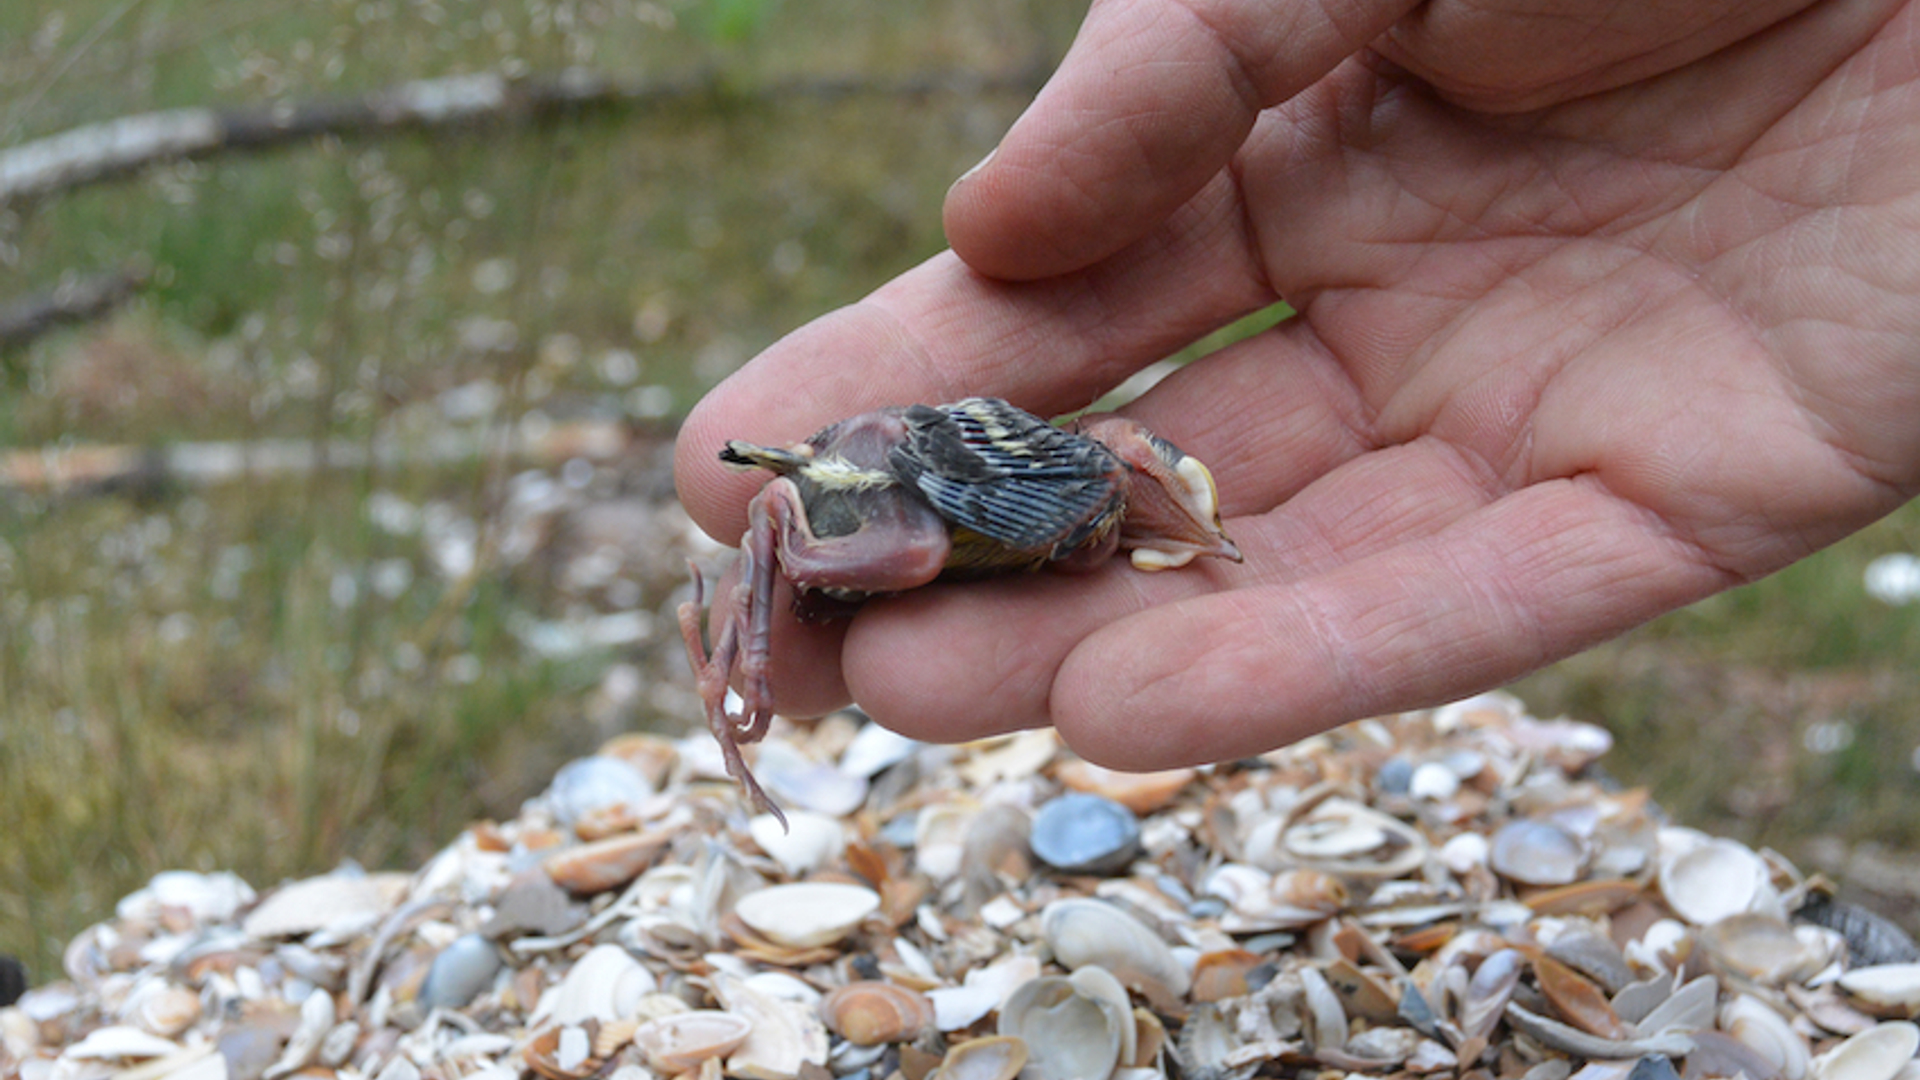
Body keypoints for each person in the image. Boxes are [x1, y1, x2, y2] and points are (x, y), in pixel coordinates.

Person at [674, 0, 1920, 770]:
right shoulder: (890, 486)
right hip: (930, 478)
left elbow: (1100, 473)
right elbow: (903, 520)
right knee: (841, 519)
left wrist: (1180, 528)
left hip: (992, 476)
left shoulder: (1066, 477)